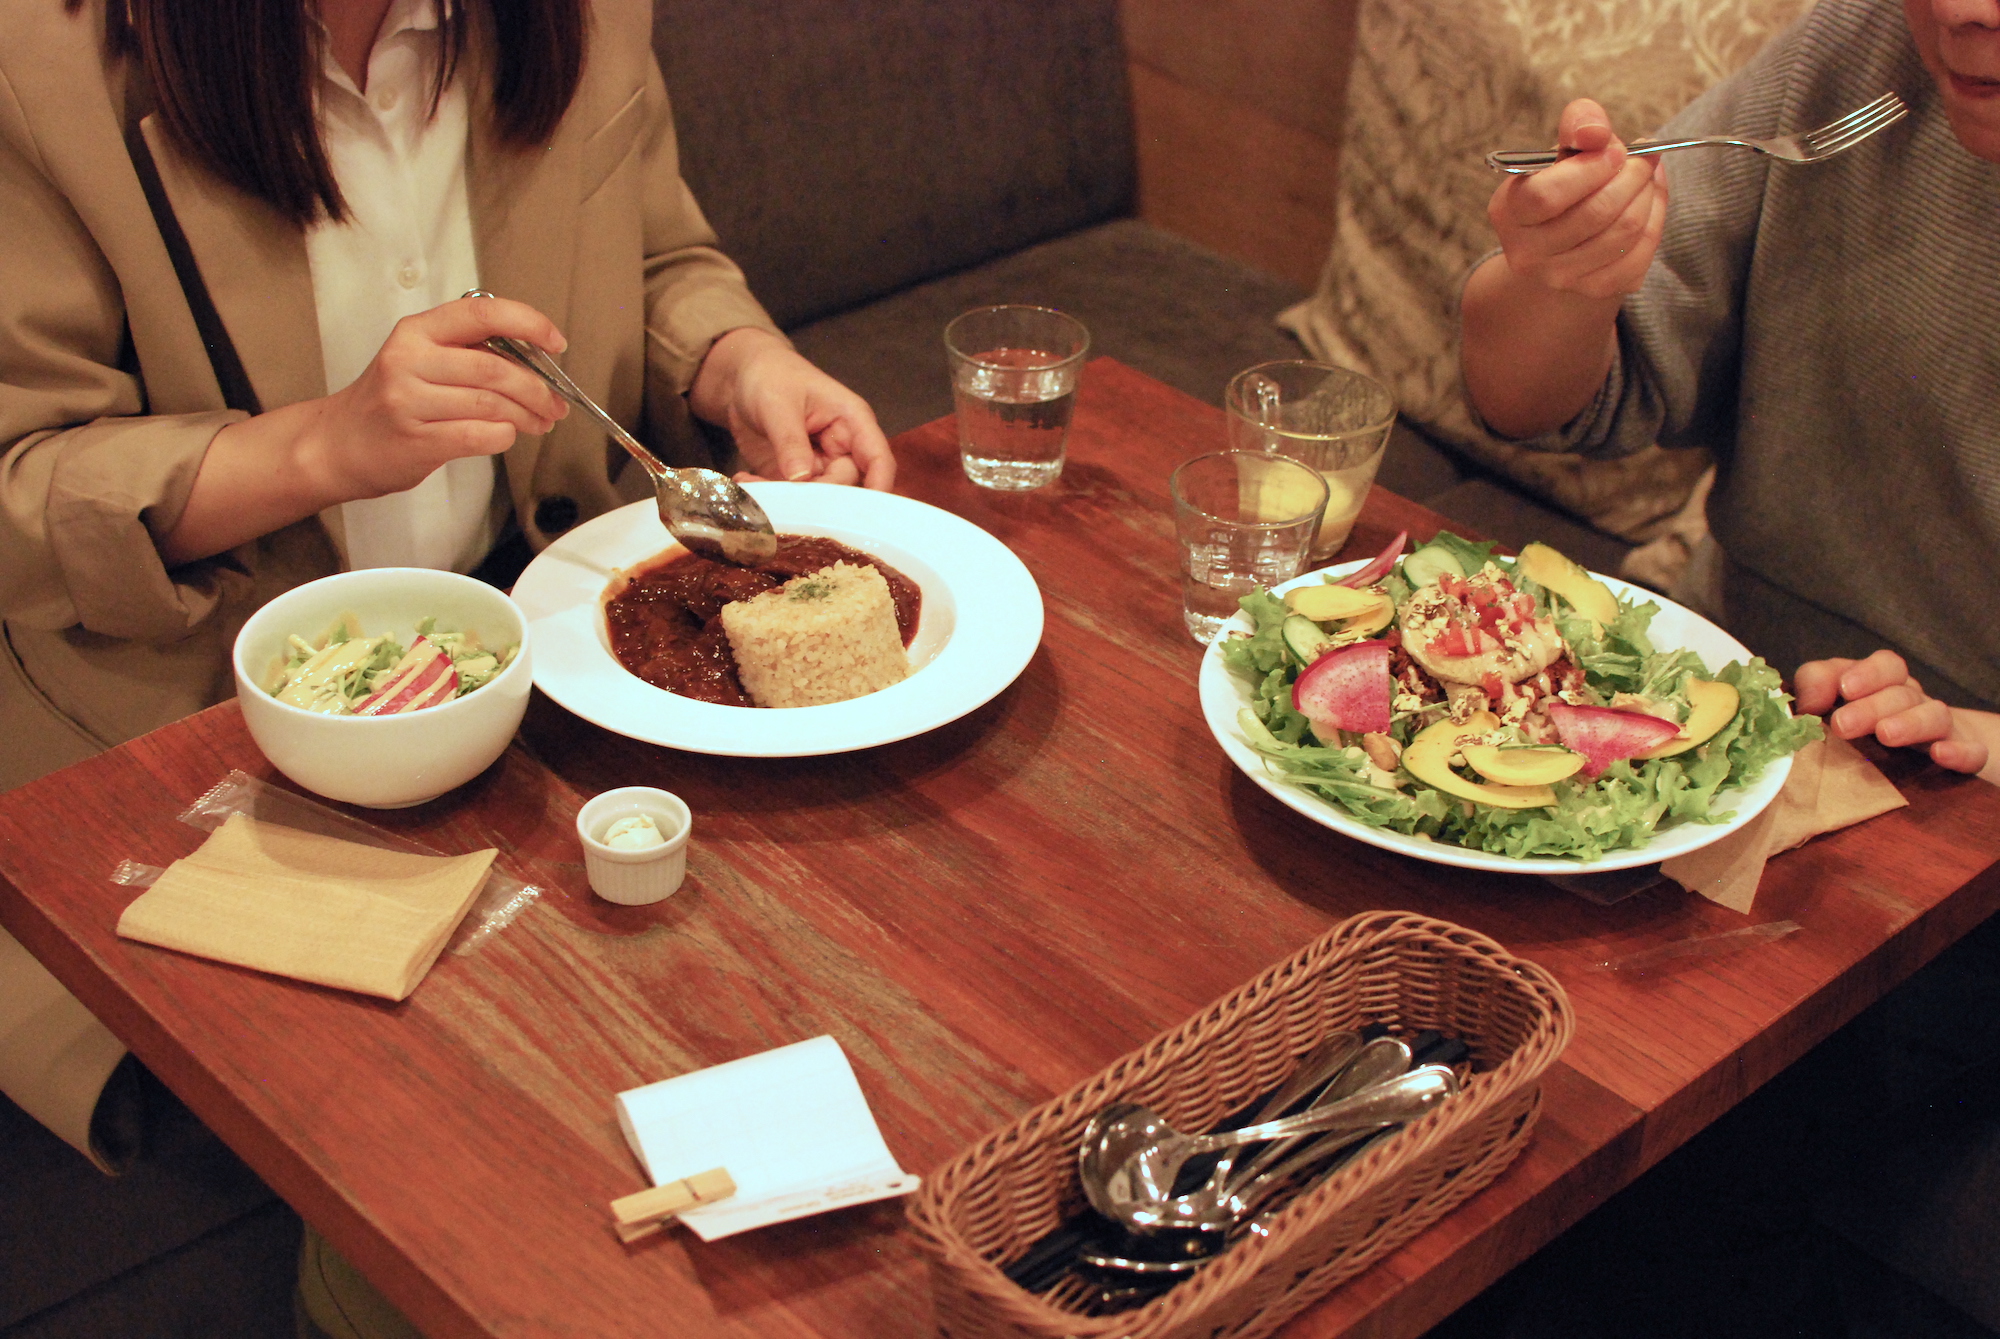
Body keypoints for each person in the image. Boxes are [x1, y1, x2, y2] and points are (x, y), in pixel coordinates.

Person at [0, 0, 889, 1183]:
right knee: (447, 1147)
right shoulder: (36, 60)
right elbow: (20, 488)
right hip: (203, 732)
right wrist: (323, 447)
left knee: (805, 987)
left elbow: (658, 255)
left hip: (544, 658)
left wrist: (738, 360)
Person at [1458, 0, 1999, 785]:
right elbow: (1534, 406)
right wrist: (1561, 278)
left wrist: (1964, 732)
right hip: (1715, 685)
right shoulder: (1866, 49)